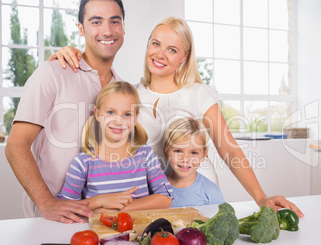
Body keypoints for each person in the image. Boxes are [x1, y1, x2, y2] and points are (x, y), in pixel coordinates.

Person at [50, 17, 304, 217]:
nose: (160, 54)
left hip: (197, 196)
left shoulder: (198, 94)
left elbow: (229, 148)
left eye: (172, 49)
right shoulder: (131, 94)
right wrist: (68, 58)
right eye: (156, 44)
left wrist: (260, 198)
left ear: (184, 58)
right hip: (152, 202)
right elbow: (101, 95)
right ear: (148, 45)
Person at [5, 0, 127, 224]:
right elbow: (16, 145)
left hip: (103, 219)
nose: (107, 30)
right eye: (96, 21)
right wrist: (48, 203)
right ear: (81, 28)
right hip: (52, 218)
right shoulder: (52, 73)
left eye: (114, 21)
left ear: (123, 27)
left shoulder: (123, 90)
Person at [57, 81, 173, 213]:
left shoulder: (145, 155)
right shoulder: (83, 163)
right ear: (97, 113)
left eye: (127, 114)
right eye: (111, 112)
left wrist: (120, 210)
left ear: (135, 118)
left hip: (140, 232)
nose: (118, 121)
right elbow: (65, 207)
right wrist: (100, 200)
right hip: (98, 232)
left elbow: (166, 197)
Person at [163, 117, 225, 208]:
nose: (185, 159)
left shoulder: (211, 192)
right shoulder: (156, 188)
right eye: (178, 151)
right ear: (166, 152)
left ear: (204, 155)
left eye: (194, 153)